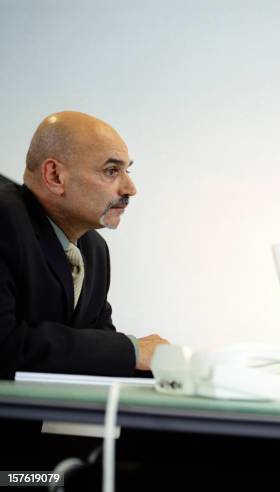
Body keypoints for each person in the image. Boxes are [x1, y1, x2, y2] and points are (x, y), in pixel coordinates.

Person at [0, 111, 169, 380]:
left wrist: (176, 372)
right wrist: (132, 351)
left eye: (127, 170)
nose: (130, 188)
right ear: (55, 175)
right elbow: (5, 345)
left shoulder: (93, 249)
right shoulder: (4, 219)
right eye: (111, 171)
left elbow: (95, 351)